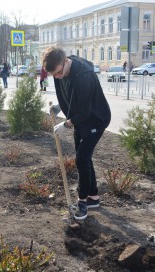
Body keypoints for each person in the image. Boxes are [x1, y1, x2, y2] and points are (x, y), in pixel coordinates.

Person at [42, 46, 111, 221]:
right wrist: (61, 106)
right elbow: (70, 94)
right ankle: (93, 197)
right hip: (80, 117)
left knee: (81, 158)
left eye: (58, 72)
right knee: (84, 157)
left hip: (96, 118)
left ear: (65, 61)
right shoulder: (60, 69)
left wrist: (66, 124)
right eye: (53, 75)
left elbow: (84, 112)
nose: (57, 77)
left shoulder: (84, 77)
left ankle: (82, 203)